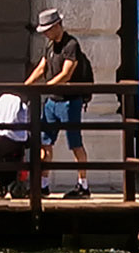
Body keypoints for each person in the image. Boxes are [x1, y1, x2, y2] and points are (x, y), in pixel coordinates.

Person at [22, 13, 96, 182]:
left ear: (57, 26)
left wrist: (46, 87)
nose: (45, 34)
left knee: (75, 143)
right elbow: (41, 68)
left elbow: (66, 74)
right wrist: (26, 86)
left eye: (47, 30)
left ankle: (83, 184)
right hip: (52, 101)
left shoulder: (71, 45)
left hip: (69, 101)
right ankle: (44, 183)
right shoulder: (49, 46)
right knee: (45, 142)